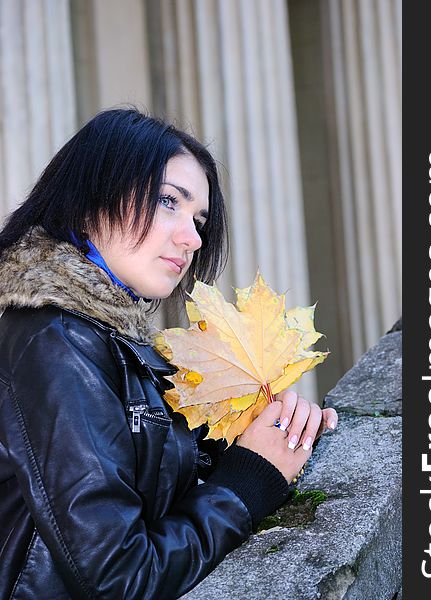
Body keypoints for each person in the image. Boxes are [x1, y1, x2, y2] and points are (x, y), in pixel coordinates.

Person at [0, 108, 337, 599]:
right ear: (92, 195)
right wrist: (247, 483)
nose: (193, 238)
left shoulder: (112, 341)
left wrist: (257, 433)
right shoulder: (54, 341)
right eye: (167, 202)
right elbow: (120, 577)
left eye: (199, 219)